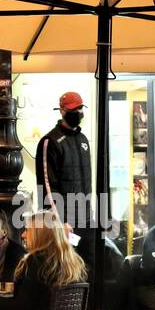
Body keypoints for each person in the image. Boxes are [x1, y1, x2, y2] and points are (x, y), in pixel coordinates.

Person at [35, 91, 96, 266]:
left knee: (88, 266)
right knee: (66, 267)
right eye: (72, 109)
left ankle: (88, 295)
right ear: (61, 110)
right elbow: (47, 185)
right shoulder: (50, 141)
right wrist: (60, 221)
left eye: (79, 108)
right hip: (65, 222)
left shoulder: (83, 139)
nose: (77, 112)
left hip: (86, 219)